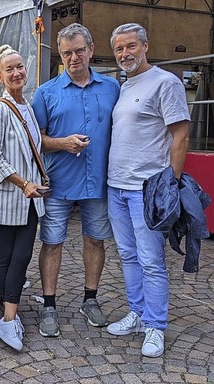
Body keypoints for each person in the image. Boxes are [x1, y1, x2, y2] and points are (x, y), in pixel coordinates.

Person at [106, 23, 190, 358]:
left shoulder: (165, 83)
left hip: (147, 190)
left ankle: (156, 324)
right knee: (127, 255)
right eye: (119, 49)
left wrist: (170, 184)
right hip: (117, 187)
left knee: (151, 260)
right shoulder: (124, 86)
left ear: (145, 46)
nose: (125, 54)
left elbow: (181, 136)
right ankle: (138, 314)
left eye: (131, 46)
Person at [31, 23, 119, 337]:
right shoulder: (46, 93)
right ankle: (50, 305)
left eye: (79, 50)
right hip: (58, 183)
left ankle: (90, 299)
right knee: (52, 243)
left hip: (98, 181)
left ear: (91, 50)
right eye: (67, 53)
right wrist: (63, 143)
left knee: (95, 240)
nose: (73, 58)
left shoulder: (112, 88)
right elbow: (35, 140)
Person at [0, 44, 48, 352]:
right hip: (10, 197)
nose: (17, 72)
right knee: (8, 257)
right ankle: (9, 319)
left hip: (29, 198)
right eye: (10, 69)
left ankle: (9, 312)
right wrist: (24, 184)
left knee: (19, 257)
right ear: (0, 76)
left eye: (20, 66)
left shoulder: (28, 108)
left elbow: (34, 149)